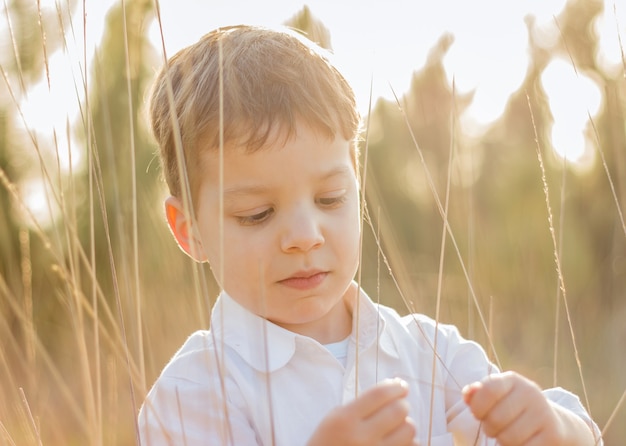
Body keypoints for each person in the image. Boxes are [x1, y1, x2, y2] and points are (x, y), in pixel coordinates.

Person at [138, 25, 602, 446]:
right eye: (257, 214)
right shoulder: (190, 395)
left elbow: (564, 428)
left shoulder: (427, 352)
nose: (304, 236)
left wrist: (558, 429)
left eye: (331, 198)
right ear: (189, 230)